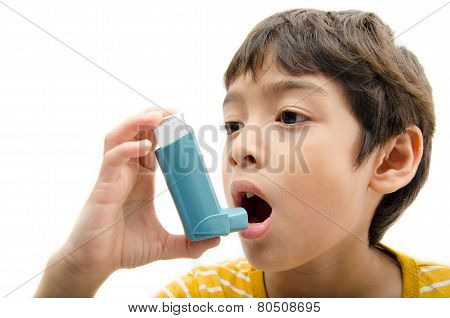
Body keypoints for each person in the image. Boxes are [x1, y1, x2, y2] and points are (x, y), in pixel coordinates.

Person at [34, 8, 449, 298]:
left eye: (289, 116)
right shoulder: (199, 300)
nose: (241, 149)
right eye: (233, 125)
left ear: (391, 159)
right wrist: (75, 272)